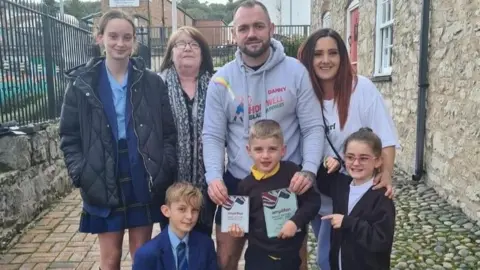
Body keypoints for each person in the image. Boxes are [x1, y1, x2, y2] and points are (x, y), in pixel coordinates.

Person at [202, 1, 325, 269]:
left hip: (285, 185)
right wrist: (213, 177)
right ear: (234, 34)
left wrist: (309, 170)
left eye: (258, 26)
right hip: (237, 186)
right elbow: (212, 135)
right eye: (243, 28)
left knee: (294, 259)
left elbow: (313, 127)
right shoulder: (221, 80)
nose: (251, 34)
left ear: (271, 28)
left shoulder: (295, 72)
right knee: (226, 259)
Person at [59, 10, 176, 269]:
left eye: (126, 37)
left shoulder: (153, 82)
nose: (120, 43)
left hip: (141, 173)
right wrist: (81, 173)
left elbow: (169, 132)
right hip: (102, 174)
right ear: (100, 37)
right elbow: (69, 135)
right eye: (113, 36)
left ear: (134, 41)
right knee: (110, 259)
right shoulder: (81, 84)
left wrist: (163, 166)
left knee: (141, 255)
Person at [297, 28, 399, 270]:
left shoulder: (360, 89)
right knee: (331, 253)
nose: (325, 60)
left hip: (354, 192)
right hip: (319, 188)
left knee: (344, 255)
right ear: (309, 58)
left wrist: (385, 174)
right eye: (318, 54)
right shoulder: (304, 92)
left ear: (342, 56)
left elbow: (386, 138)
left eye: (332, 53)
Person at [228, 119, 321, 270]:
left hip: (290, 257)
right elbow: (246, 223)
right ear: (248, 150)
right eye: (258, 149)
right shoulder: (244, 186)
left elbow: (313, 202)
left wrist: (295, 222)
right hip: (257, 258)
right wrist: (238, 230)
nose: (265, 155)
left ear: (282, 150)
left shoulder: (292, 173)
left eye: (272, 149)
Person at [158, 26, 216, 237]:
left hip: (206, 183)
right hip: (169, 182)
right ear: (171, 53)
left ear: (203, 54)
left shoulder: (216, 86)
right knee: (173, 242)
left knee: (202, 239)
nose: (188, 48)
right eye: (180, 44)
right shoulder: (157, 85)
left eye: (194, 44)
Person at [320, 128, 396, 270]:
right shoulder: (340, 185)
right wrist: (330, 163)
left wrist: (347, 222)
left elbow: (381, 240)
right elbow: (320, 181)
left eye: (363, 158)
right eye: (350, 157)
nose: (355, 163)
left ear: (378, 161)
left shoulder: (382, 197)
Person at [133, 182, 218, 270]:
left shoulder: (206, 245)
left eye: (194, 210)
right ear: (166, 211)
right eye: (182, 209)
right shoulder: (147, 254)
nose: (189, 216)